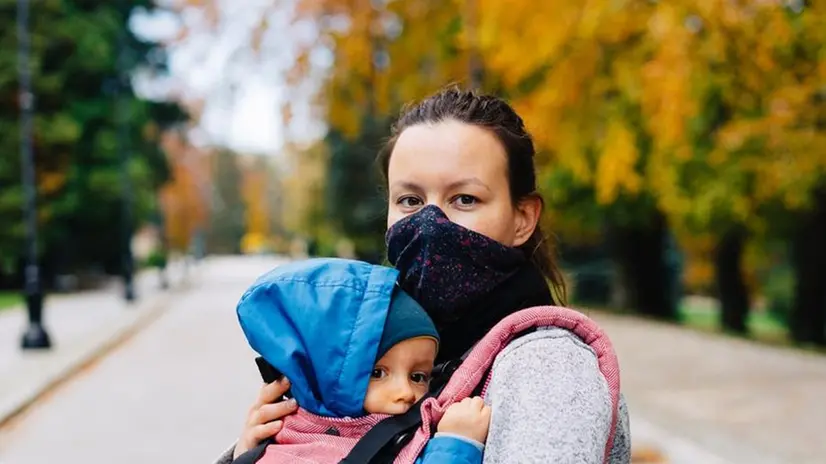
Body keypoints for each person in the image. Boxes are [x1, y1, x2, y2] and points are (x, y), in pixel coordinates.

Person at [216, 87, 631, 464]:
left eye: (464, 199)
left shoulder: (546, 368)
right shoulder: (382, 348)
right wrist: (260, 452)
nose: (431, 223)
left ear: (522, 218)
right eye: (411, 200)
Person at [235, 258, 490, 463]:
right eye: (377, 373)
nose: (405, 393)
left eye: (418, 377)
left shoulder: (409, 430)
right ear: (322, 377)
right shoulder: (293, 453)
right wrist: (455, 446)